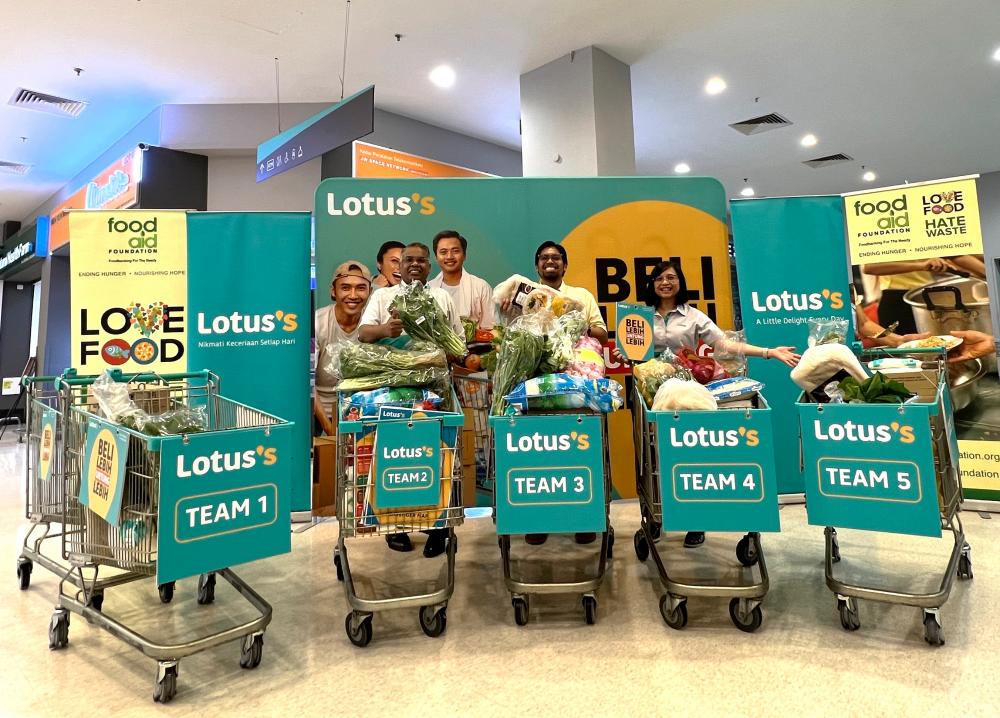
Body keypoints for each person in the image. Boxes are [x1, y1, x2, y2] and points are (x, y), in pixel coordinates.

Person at [644, 259, 800, 548]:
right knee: (654, 456)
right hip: (653, 392)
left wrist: (769, 352)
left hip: (686, 395)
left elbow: (725, 345)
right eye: (659, 279)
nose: (665, 283)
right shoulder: (641, 316)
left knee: (689, 457)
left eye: (671, 277)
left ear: (680, 283)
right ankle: (655, 514)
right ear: (652, 284)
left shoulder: (694, 317)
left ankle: (695, 520)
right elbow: (630, 349)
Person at [359, 242, 462, 558]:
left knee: (437, 454)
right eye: (408, 260)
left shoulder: (440, 297)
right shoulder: (383, 297)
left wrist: (440, 348)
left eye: (421, 260)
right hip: (394, 389)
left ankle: (437, 528)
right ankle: (397, 526)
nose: (414, 264)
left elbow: (457, 342)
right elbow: (363, 334)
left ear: (429, 267)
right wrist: (385, 329)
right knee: (398, 452)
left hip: (436, 389)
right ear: (397, 266)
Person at [525, 241, 609, 547]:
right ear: (537, 266)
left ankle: (584, 520)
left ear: (564, 265)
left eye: (556, 258)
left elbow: (602, 332)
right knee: (539, 455)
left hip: (577, 385)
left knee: (579, 452)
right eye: (544, 257)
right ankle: (538, 521)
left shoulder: (582, 295)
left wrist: (578, 318)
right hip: (538, 385)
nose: (550, 262)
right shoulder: (527, 294)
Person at [314, 261, 372, 436]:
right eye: (345, 288)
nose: (353, 295)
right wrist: (331, 432)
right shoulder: (317, 323)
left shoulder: (373, 324)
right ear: (334, 291)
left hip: (359, 408)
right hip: (317, 408)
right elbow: (306, 382)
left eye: (361, 288)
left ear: (370, 292)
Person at [428, 230, 496, 330]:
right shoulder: (428, 289)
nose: (449, 256)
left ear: (464, 255)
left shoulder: (480, 287)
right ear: (436, 257)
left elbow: (491, 328)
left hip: (476, 345)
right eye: (443, 252)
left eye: (455, 251)